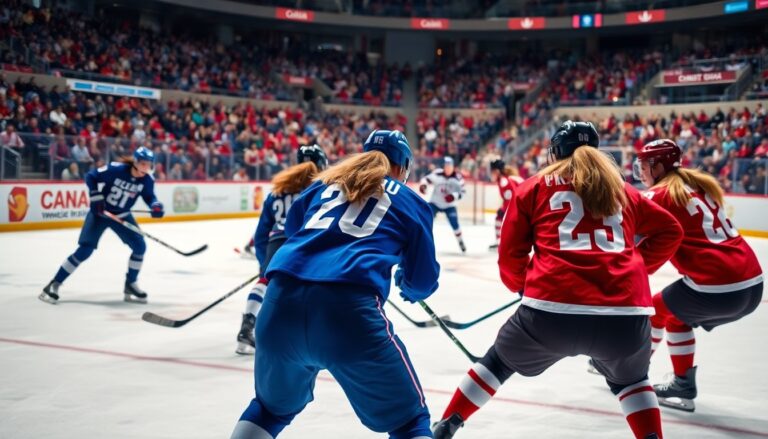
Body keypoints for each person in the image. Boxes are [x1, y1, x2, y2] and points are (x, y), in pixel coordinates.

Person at [432, 121, 683, 439]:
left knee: (496, 362)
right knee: (633, 381)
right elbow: (671, 230)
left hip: (549, 314)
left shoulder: (533, 186)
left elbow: (510, 255)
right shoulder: (624, 190)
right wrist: (632, 269)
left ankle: (446, 426)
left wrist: (524, 285)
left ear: (555, 153)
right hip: (625, 317)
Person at [230, 130, 440, 439]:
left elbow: (294, 229)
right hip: (347, 313)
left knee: (269, 410)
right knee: (410, 422)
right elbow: (423, 281)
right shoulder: (411, 200)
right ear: (403, 167)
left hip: (279, 301)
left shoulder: (324, 185)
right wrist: (407, 286)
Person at [634, 139, 763, 412]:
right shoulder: (695, 186)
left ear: (658, 168)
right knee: (676, 317)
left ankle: (631, 373)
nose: (641, 172)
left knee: (655, 311)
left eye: (645, 166)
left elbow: (629, 234)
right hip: (752, 284)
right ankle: (681, 383)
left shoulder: (658, 195)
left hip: (719, 286)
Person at [40, 146, 165, 304]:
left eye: (149, 165)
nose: (146, 168)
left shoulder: (147, 179)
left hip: (122, 216)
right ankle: (54, 284)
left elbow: (149, 196)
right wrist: (94, 194)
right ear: (135, 162)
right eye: (143, 164)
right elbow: (91, 176)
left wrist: (155, 205)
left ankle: (131, 285)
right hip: (101, 213)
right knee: (85, 250)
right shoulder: (115, 169)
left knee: (140, 247)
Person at [235, 144, 328, 355]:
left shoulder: (278, 190)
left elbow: (261, 234)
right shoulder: (321, 190)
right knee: (314, 285)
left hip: (276, 243)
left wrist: (263, 263)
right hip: (304, 242)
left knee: (265, 283)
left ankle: (247, 328)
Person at [419, 157, 467, 253]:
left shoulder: (458, 178)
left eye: (450, 166)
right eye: (446, 166)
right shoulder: (437, 173)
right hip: (435, 202)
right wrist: (423, 186)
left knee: (455, 224)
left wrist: (453, 196)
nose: (448, 168)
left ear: (453, 167)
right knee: (426, 219)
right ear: (444, 167)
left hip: (449, 205)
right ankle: (422, 240)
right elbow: (426, 179)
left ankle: (460, 240)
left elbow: (463, 192)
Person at [488, 159, 523, 251]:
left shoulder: (504, 181)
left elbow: (511, 199)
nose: (491, 174)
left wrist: (504, 210)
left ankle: (500, 241)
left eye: (492, 172)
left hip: (523, 205)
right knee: (502, 216)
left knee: (501, 217)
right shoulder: (506, 178)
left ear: (497, 171)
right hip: (524, 204)